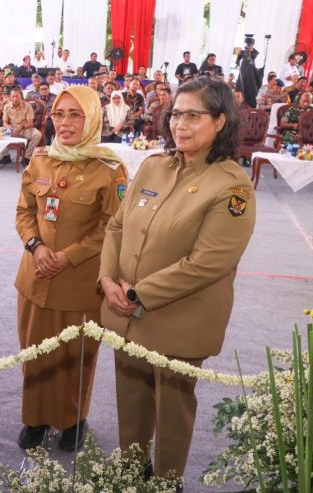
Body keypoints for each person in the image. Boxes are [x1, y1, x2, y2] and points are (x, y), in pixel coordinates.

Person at [99, 77, 256, 491]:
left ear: (220, 121)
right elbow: (117, 226)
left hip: (179, 319)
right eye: (175, 114)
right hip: (125, 311)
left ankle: (167, 483)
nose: (179, 124)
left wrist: (137, 294)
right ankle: (132, 475)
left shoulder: (232, 185)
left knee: (172, 410)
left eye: (192, 115)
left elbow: (207, 263)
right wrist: (107, 280)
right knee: (130, 403)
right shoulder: (153, 165)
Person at [15, 84, 126, 452]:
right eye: (59, 114)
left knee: (76, 357)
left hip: (79, 283)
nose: (64, 123)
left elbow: (113, 226)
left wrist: (69, 255)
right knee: (34, 353)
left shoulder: (110, 169)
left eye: (75, 114)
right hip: (35, 276)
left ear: (92, 118)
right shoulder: (41, 159)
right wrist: (36, 245)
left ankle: (71, 420)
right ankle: (33, 419)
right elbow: (25, 212)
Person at [2, 87, 42, 165]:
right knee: (0, 131)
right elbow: (5, 122)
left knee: (38, 134)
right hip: (12, 129)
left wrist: (22, 126)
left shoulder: (27, 106)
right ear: (10, 97)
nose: (15, 98)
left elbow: (30, 123)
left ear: (21, 96)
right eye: (13, 96)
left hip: (25, 128)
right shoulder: (6, 106)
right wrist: (8, 127)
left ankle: (27, 157)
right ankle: (6, 156)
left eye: (17, 96)